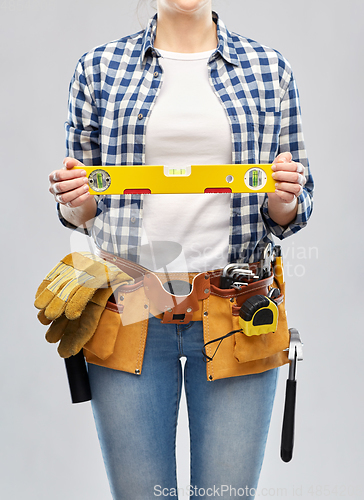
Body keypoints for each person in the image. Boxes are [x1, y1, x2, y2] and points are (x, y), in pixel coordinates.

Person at [48, 1, 313, 498]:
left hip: (236, 310)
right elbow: (79, 211)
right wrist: (76, 200)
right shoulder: (98, 69)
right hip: (131, 306)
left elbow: (294, 207)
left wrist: (284, 200)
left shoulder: (270, 69)